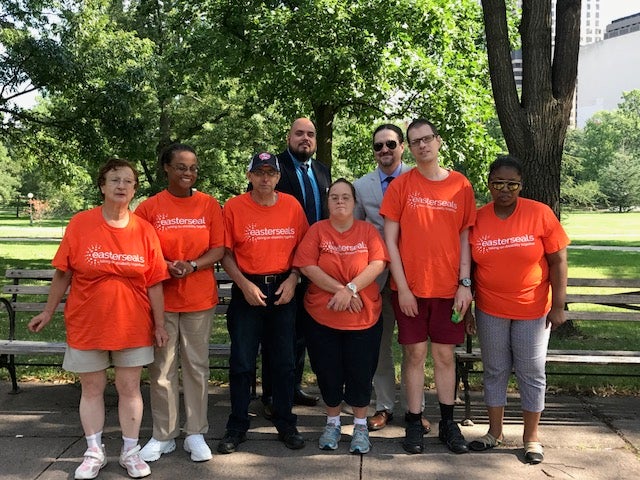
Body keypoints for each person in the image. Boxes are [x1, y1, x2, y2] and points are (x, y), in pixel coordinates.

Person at [28, 158, 169, 480]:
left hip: (132, 324)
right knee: (91, 388)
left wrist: (159, 324)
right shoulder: (81, 223)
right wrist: (48, 311)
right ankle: (94, 451)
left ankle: (130, 453)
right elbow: (62, 273)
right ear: (102, 185)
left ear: (135, 188)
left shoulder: (144, 231)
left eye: (128, 181)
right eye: (114, 180)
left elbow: (155, 282)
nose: (121, 186)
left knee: (129, 387)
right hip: (87, 322)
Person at [379, 118, 476, 455]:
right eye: (415, 141)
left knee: (445, 354)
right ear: (409, 146)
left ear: (438, 140)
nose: (422, 145)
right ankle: (414, 420)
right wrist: (403, 288)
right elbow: (390, 240)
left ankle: (448, 424)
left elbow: (465, 237)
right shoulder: (401, 186)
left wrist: (465, 284)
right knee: (415, 353)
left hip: (450, 289)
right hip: (411, 290)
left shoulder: (460, 185)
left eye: (427, 139)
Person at [467, 155, 569, 464]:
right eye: (498, 183)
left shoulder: (540, 214)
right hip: (490, 308)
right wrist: (469, 308)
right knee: (495, 370)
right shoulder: (477, 218)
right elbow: (468, 267)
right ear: (489, 185)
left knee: (531, 372)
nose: (505, 190)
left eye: (512, 184)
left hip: (533, 310)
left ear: (521, 185)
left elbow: (558, 261)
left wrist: (559, 305)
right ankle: (494, 432)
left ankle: (531, 438)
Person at [135, 144, 224, 463]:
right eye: (181, 167)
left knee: (197, 367)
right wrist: (166, 264)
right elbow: (140, 248)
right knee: (162, 368)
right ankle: (164, 435)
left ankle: (196, 433)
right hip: (161, 300)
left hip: (199, 299)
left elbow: (219, 249)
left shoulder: (209, 205)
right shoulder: (149, 208)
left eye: (193, 168)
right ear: (166, 168)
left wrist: (194, 265)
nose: (188, 173)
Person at [217, 152, 309, 454]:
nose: (265, 178)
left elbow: (304, 248)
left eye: (270, 173)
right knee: (242, 362)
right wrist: (243, 285)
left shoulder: (292, 207)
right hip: (248, 290)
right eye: (259, 173)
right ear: (249, 176)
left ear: (279, 177)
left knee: (283, 363)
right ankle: (237, 425)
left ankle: (286, 423)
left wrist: (294, 278)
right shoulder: (233, 207)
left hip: (282, 289)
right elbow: (225, 254)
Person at [294, 178, 389, 454]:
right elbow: (307, 266)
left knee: (361, 372)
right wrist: (341, 291)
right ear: (327, 202)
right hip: (322, 317)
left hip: (364, 317)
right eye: (334, 197)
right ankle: (333, 423)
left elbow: (378, 263)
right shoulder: (317, 231)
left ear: (355, 202)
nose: (339, 202)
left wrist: (351, 289)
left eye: (345, 197)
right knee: (328, 371)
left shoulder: (368, 231)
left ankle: (360, 426)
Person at [353, 124, 431, 434]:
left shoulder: (421, 178)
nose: (384, 150)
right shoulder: (362, 186)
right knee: (380, 346)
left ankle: (417, 409)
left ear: (402, 146)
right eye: (378, 146)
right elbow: (357, 233)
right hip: (379, 279)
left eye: (390, 144)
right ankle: (383, 406)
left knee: (416, 349)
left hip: (417, 278)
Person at [261, 117, 332, 413]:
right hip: (281, 263)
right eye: (299, 133)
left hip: (315, 264)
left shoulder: (321, 171)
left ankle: (292, 386)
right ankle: (271, 395)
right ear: (289, 136)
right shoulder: (272, 168)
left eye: (311, 135)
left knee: (301, 329)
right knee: (276, 333)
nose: (305, 138)